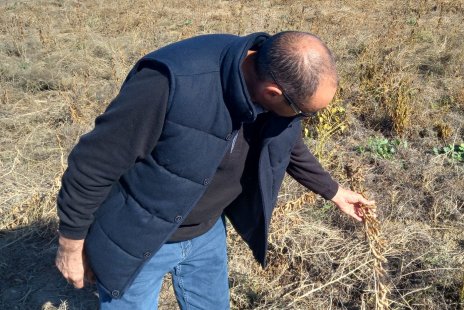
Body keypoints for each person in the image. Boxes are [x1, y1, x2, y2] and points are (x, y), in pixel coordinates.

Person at [54, 31, 373, 309]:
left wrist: (334, 191)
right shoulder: (170, 83)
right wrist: (71, 245)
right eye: (303, 112)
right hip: (137, 236)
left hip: (206, 234)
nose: (301, 120)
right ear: (273, 93)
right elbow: (93, 163)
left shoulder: (266, 75)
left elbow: (284, 141)